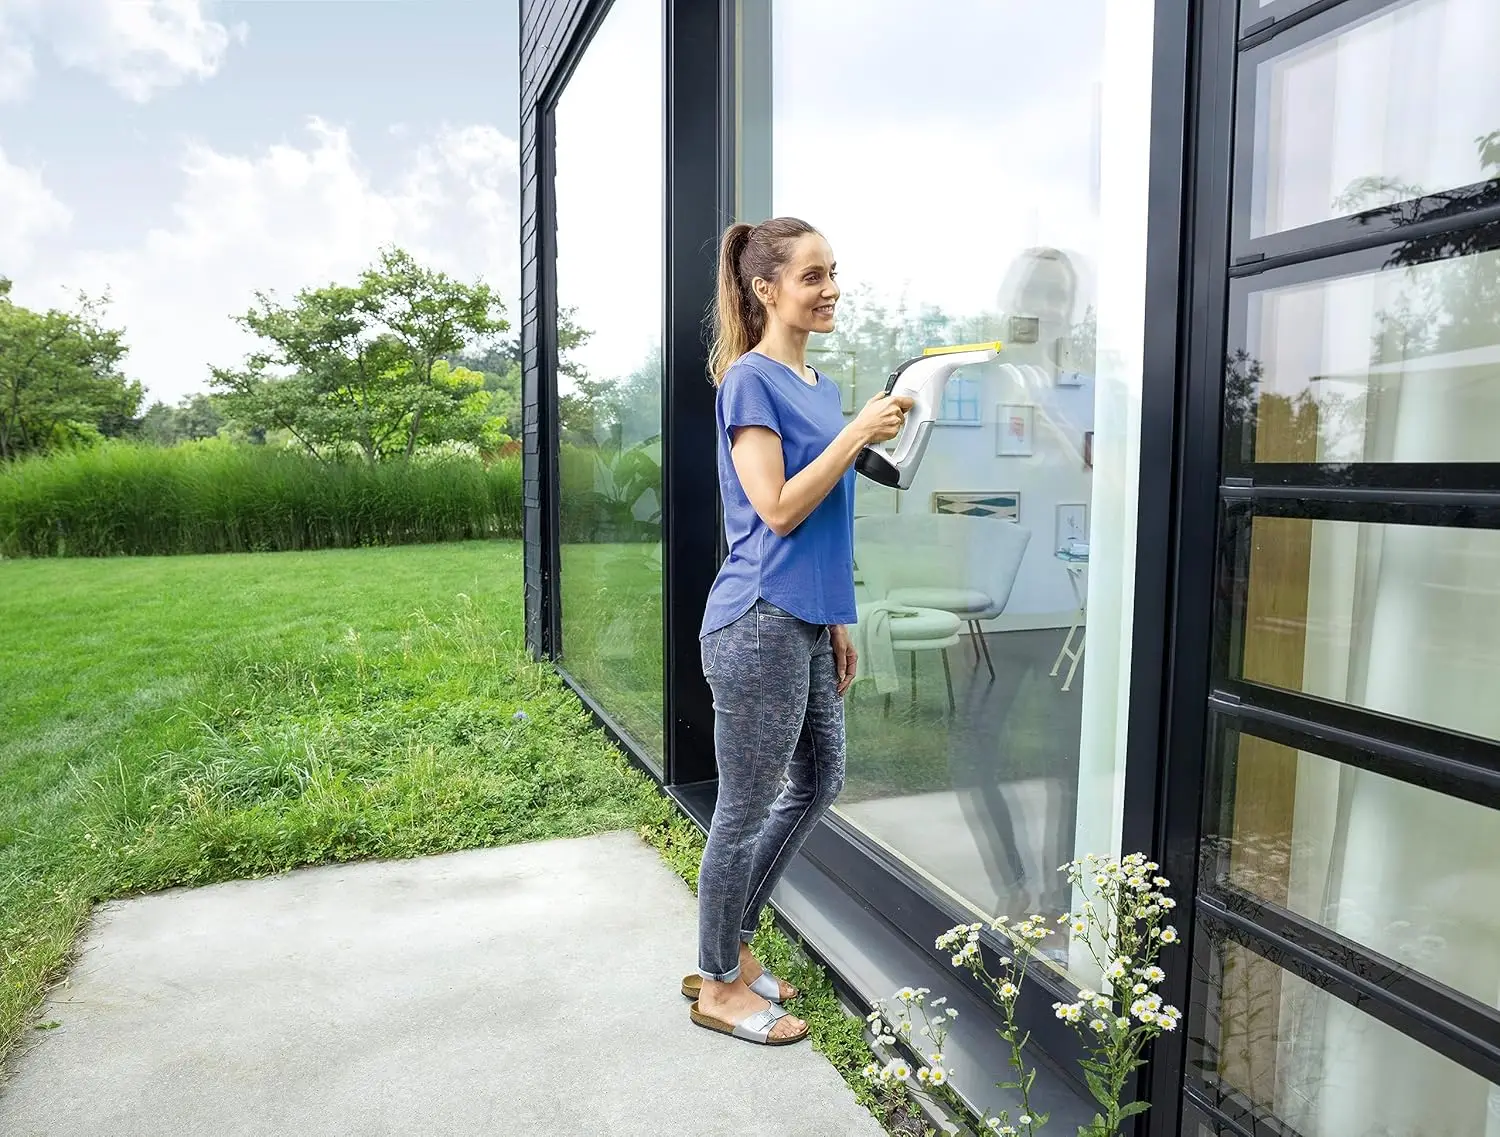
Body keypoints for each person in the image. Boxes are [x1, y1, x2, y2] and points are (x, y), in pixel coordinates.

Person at [682, 217, 913, 1045]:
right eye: (813, 275)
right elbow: (777, 509)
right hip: (758, 622)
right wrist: (855, 434)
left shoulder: (815, 384)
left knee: (820, 780)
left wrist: (840, 615)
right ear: (766, 288)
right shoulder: (748, 383)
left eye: (834, 273)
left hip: (809, 620)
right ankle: (716, 980)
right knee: (743, 807)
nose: (832, 289)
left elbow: (830, 516)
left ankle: (732, 948)